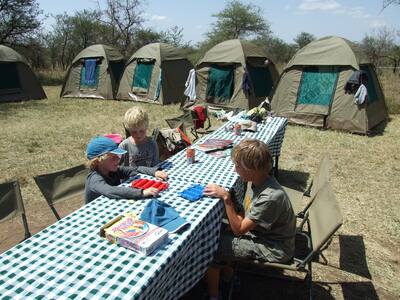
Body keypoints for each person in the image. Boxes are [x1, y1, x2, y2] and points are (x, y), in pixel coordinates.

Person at [203, 139, 296, 300]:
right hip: (263, 234)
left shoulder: (270, 197)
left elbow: (238, 229)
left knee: (213, 246)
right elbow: (246, 217)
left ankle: (214, 295)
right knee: (222, 230)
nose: (235, 170)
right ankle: (229, 277)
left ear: (252, 169)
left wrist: (226, 198)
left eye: (238, 166)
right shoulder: (260, 181)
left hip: (274, 247)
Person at [85, 136, 168, 204]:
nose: (118, 159)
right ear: (98, 162)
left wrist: (154, 172)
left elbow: (136, 169)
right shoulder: (94, 179)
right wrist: (142, 192)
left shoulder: (113, 170)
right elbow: (109, 191)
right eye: (113, 157)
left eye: (117, 155)